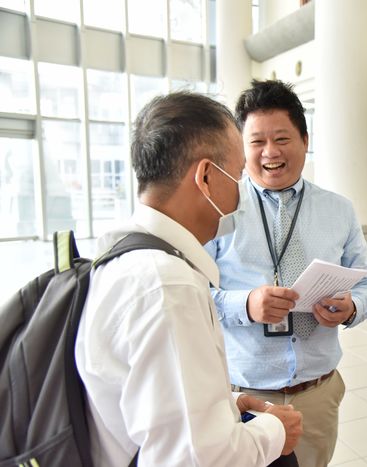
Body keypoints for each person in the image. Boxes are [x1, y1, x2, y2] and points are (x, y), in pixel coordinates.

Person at [75, 91, 303, 467]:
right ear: (207, 177)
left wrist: (224, 406)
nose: (241, 193)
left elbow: (146, 403)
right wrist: (276, 431)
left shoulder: (123, 256)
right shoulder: (167, 287)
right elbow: (198, 459)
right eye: (238, 176)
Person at [205, 80, 367, 467]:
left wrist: (351, 307)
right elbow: (195, 294)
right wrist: (246, 304)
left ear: (304, 139)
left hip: (315, 394)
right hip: (244, 393)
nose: (270, 153)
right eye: (257, 142)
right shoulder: (218, 209)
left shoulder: (339, 210)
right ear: (241, 147)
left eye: (282, 138)